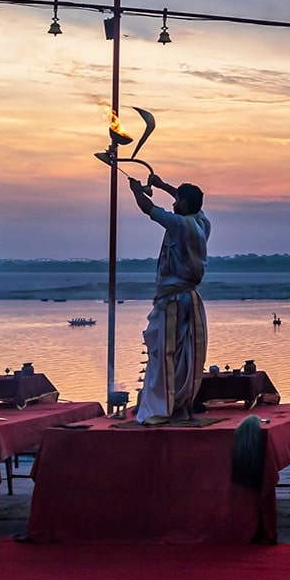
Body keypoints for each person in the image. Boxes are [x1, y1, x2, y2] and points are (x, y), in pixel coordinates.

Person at [129, 173, 210, 424]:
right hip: (188, 299)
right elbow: (181, 197)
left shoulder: (179, 224)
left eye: (178, 201)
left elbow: (148, 209)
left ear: (184, 205)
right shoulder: (201, 222)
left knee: (167, 354)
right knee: (185, 356)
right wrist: (162, 185)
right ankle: (181, 405)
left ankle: (164, 407)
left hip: (174, 303)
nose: (174, 203)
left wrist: (135, 190)